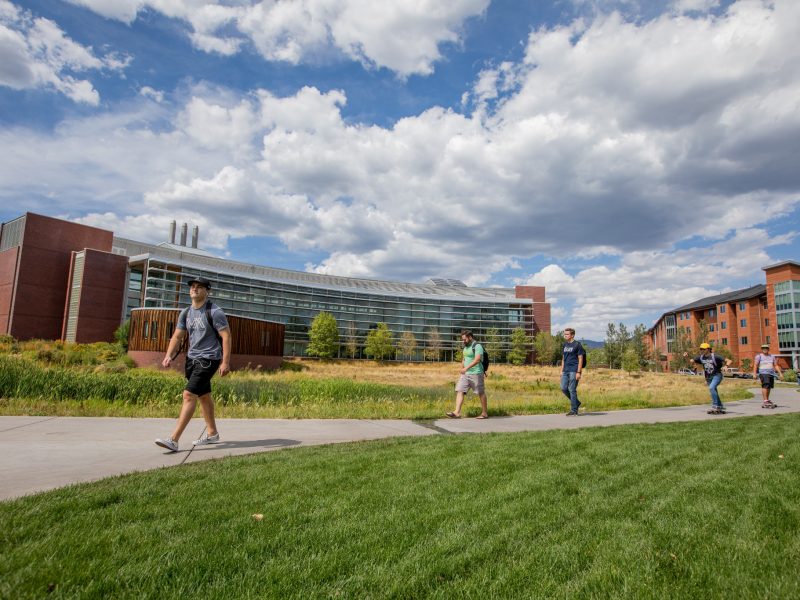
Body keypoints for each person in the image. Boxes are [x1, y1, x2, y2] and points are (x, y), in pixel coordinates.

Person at [155, 277, 231, 452]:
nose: (194, 289)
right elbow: (177, 336)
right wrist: (169, 355)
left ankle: (173, 440)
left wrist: (225, 362)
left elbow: (226, 336)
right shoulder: (186, 313)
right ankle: (212, 434)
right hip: (192, 359)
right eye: (192, 287)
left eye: (199, 287)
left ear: (207, 291)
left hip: (209, 359)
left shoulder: (214, 311)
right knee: (203, 396)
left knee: (189, 395)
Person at [446, 330, 488, 419]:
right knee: (460, 390)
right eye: (462, 339)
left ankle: (484, 413)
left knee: (480, 393)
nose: (463, 341)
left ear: (470, 337)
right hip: (465, 374)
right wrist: (462, 368)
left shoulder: (477, 346)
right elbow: (464, 359)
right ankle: (457, 412)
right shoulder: (465, 348)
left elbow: (477, 360)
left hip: (476, 373)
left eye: (465, 339)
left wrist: (466, 368)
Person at [683, 343, 731, 415]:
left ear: (708, 349)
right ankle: (720, 406)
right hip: (708, 377)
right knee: (714, 391)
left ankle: (715, 406)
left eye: (703, 349)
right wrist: (686, 357)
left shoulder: (715, 356)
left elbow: (729, 360)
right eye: (701, 349)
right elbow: (691, 361)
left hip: (717, 375)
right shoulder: (701, 357)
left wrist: (726, 366)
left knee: (711, 388)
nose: (701, 350)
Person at [560, 327, 586, 416]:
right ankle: (577, 402)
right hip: (565, 370)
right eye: (565, 334)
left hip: (574, 370)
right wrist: (561, 370)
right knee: (563, 388)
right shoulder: (564, 345)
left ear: (572, 335)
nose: (565, 335)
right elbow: (563, 358)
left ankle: (574, 410)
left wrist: (578, 372)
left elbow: (580, 358)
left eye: (567, 334)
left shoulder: (577, 345)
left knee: (572, 389)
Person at [753, 343, 783, 408]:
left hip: (771, 373)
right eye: (763, 348)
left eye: (766, 348)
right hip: (763, 373)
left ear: (768, 349)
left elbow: (775, 365)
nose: (765, 349)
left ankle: (767, 399)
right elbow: (755, 365)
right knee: (765, 385)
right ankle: (765, 400)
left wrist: (780, 373)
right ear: (762, 349)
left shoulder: (772, 356)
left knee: (769, 386)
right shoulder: (759, 356)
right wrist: (754, 374)